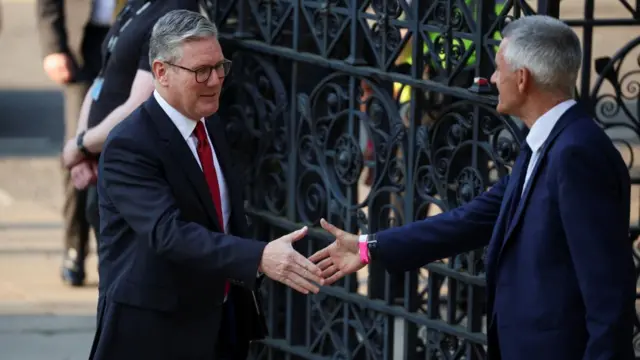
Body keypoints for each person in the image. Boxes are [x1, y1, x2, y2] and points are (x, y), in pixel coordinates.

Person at [310, 15, 636, 360]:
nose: (492, 79)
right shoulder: (546, 143)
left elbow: (609, 295)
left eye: (498, 69)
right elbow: (469, 221)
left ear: (522, 79)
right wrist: (368, 247)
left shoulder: (576, 153)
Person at [88, 10, 324, 360]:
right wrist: (258, 256)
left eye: (219, 67)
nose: (215, 80)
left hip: (220, 320)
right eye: (201, 71)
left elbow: (222, 215)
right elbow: (169, 233)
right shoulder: (130, 144)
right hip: (156, 332)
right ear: (161, 72)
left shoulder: (207, 121)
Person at [60, 0, 204, 287]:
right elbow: (102, 78)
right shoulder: (136, 4)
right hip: (102, 158)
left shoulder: (173, 11)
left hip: (132, 163)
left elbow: (139, 103)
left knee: (129, 288)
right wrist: (83, 144)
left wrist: (82, 146)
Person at [36, 0, 113, 287]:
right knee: (78, 149)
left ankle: (115, 254)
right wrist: (53, 47)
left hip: (137, 36)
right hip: (84, 45)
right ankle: (74, 248)